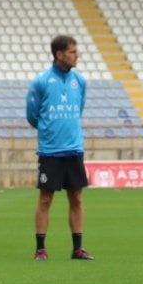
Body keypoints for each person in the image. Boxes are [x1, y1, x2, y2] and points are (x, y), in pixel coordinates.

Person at [25, 34, 93, 261]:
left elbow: (78, 110)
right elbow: (32, 116)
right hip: (50, 151)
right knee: (45, 199)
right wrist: (50, 132)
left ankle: (78, 248)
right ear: (59, 54)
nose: (77, 55)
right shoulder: (41, 82)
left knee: (77, 198)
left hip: (74, 149)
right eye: (73, 52)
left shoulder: (80, 81)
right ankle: (41, 249)